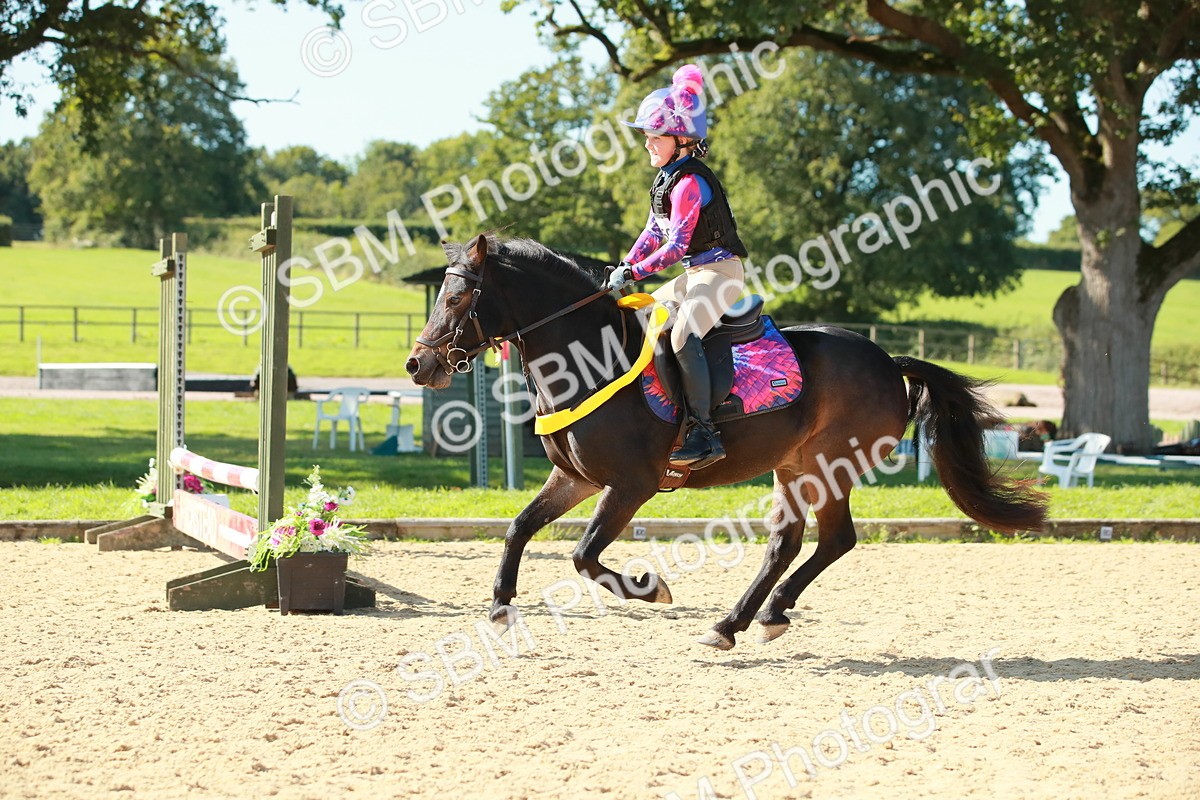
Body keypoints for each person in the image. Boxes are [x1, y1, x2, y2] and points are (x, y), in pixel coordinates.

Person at [606, 64, 748, 470]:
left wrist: (635, 272)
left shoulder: (690, 183)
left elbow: (674, 247)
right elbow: (652, 232)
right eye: (648, 136)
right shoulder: (666, 180)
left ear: (681, 139)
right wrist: (625, 264)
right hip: (694, 274)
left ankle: (705, 432)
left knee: (684, 334)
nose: (647, 144)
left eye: (654, 136)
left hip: (721, 274)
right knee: (638, 315)